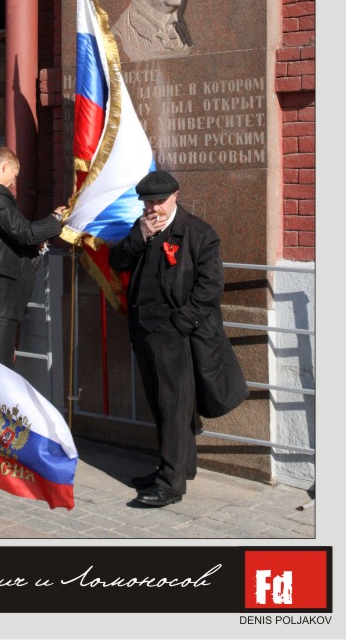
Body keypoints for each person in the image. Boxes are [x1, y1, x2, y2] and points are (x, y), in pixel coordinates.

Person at [108, 170, 249, 507]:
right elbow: (118, 260)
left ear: (175, 196)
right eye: (147, 202)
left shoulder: (199, 233)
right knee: (162, 404)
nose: (153, 208)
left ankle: (170, 485)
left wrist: (179, 323)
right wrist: (140, 236)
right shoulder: (143, 226)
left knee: (174, 406)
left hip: (175, 334)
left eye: (159, 201)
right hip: (144, 331)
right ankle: (178, 468)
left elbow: (210, 288)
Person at [0, 147, 65, 368]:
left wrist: (33, 247)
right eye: (14, 175)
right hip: (0, 296)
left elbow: (0, 238)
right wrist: (56, 219)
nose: (13, 183)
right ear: (5, 165)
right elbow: (24, 232)